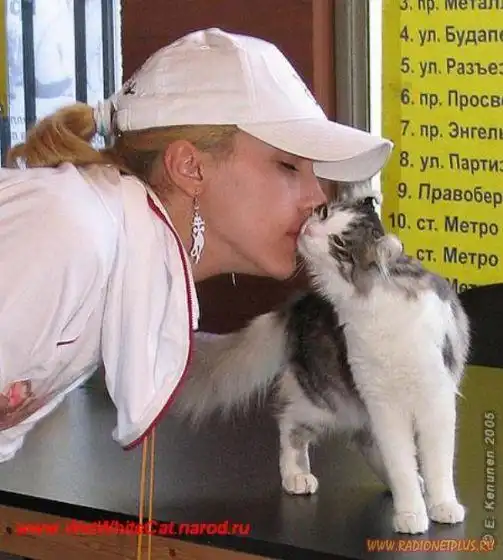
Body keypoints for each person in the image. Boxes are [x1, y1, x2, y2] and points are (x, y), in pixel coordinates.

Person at [0, 27, 393, 462]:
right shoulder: (72, 231)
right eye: (287, 166)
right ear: (190, 167)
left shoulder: (122, 264)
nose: (317, 199)